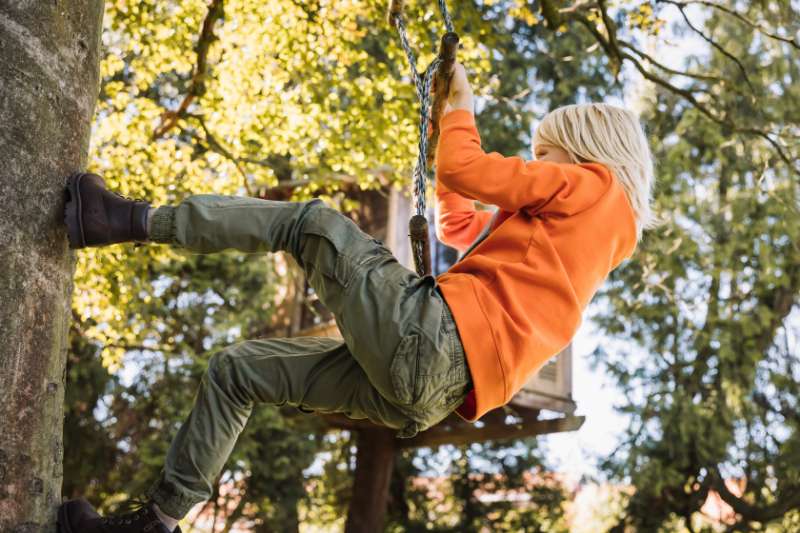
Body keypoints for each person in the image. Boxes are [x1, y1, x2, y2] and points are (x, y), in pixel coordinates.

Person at [57, 63, 657, 532]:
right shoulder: (591, 238)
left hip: (434, 338)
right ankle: (157, 521)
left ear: (585, 153)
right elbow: (460, 228)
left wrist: (460, 105)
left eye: (543, 155)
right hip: (429, 397)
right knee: (237, 372)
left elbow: (464, 166)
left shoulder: (591, 184)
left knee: (309, 223)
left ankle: (123, 220)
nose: (535, 164)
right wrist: (442, 147)